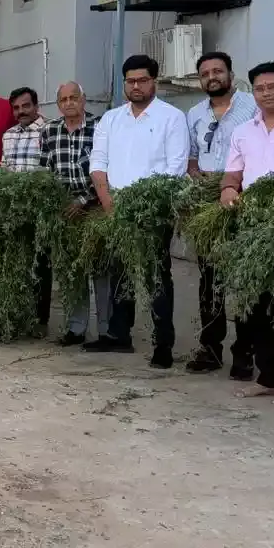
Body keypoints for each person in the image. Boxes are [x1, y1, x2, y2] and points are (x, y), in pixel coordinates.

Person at [88, 55, 189, 367]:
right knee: (119, 272)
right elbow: (98, 162)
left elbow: (175, 168)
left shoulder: (171, 118)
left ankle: (163, 344)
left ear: (154, 81)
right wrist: (107, 202)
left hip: (153, 212)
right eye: (130, 81)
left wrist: (148, 206)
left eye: (142, 80)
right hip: (116, 210)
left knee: (156, 276)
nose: (136, 86)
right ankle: (119, 335)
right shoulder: (111, 119)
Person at [183, 52, 256, 374]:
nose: (212, 77)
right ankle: (210, 348)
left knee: (245, 277)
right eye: (205, 73)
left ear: (230, 73)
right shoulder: (196, 113)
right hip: (208, 203)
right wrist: (199, 177)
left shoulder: (252, 106)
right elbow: (192, 156)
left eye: (218, 71)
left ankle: (245, 351)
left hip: (245, 200)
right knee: (210, 279)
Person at [220, 61, 274, 401]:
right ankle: (267, 377)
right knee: (259, 306)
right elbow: (232, 175)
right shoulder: (243, 131)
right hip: (255, 229)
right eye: (259, 88)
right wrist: (229, 190)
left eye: (272, 87)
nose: (266, 93)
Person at [40, 82, 111, 347]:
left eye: (74, 98)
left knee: (101, 270)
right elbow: (45, 171)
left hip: (96, 206)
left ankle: (106, 329)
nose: (69, 103)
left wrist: (84, 200)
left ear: (83, 99)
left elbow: (107, 167)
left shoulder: (100, 127)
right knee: (73, 270)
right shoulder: (50, 131)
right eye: (64, 99)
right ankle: (76, 327)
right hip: (65, 210)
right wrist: (58, 203)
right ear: (58, 104)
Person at [0, 87, 54, 336]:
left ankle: (40, 321)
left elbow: (53, 168)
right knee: (17, 263)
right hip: (14, 209)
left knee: (40, 265)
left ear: (36, 106)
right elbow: (5, 167)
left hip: (40, 208)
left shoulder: (51, 130)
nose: (21, 112)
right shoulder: (8, 135)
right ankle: (19, 317)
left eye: (25, 106)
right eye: (16, 108)